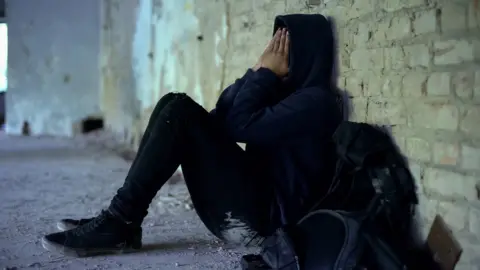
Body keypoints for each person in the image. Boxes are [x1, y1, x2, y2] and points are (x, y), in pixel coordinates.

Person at [41, 14, 342, 257]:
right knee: (173, 103)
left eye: (284, 48)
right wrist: (256, 71)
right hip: (247, 210)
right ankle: (122, 219)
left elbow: (238, 126)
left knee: (182, 112)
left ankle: (120, 222)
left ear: (306, 54)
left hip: (266, 224)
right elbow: (221, 117)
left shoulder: (317, 102)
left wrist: (264, 75)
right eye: (274, 46)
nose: (276, 55)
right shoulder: (285, 93)